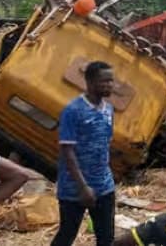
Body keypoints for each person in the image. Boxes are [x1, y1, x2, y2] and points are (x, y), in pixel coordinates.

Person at [52, 61, 117, 246]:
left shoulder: (109, 110)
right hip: (74, 189)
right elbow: (67, 151)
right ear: (89, 82)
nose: (109, 85)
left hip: (104, 186)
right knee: (67, 235)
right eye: (104, 81)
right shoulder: (73, 111)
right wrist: (82, 187)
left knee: (106, 238)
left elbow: (104, 144)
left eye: (111, 81)